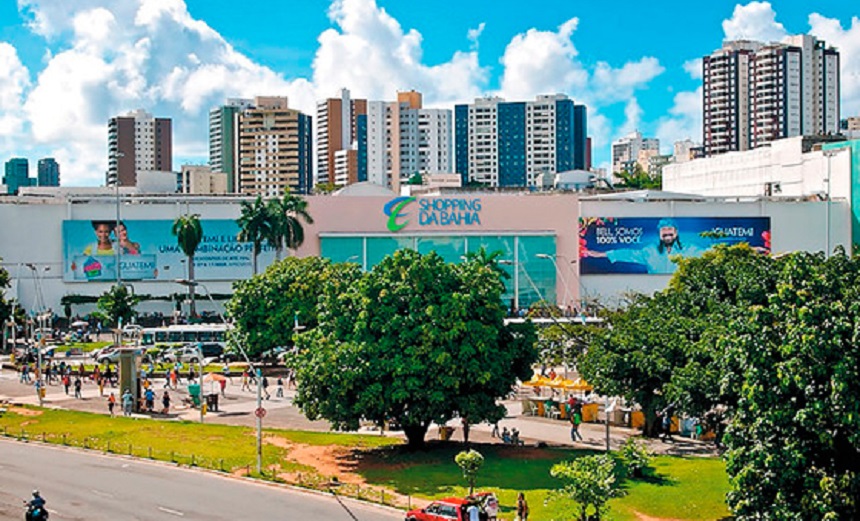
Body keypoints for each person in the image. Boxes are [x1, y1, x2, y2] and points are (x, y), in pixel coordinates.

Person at [583, 218, 702, 274]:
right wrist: (603, 254)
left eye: (670, 231)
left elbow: (709, 253)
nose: (667, 234)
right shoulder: (650, 251)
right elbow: (629, 254)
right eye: (663, 231)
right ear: (659, 234)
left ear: (676, 233)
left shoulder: (690, 249)